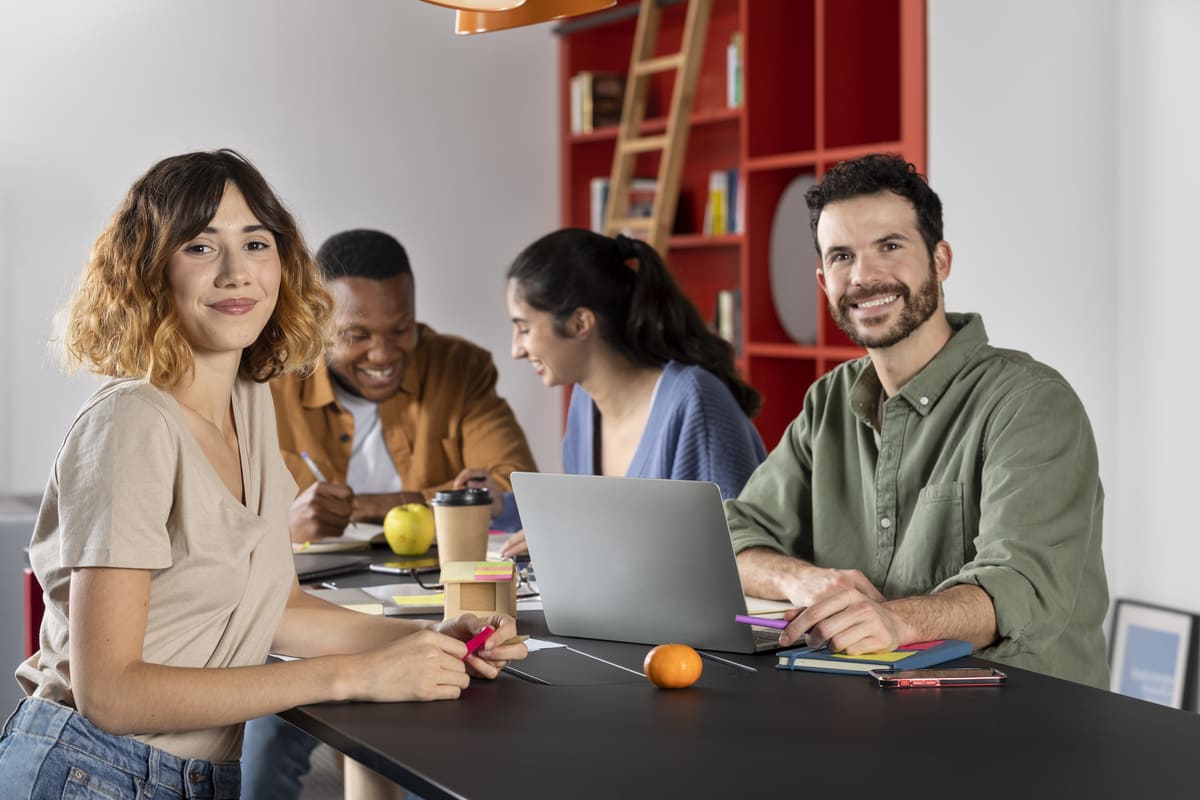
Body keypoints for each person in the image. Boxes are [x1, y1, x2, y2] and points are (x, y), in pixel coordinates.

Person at [0, 150, 527, 800]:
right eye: (200, 246)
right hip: (92, 770)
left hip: (190, 775)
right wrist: (352, 676)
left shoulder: (249, 401)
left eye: (255, 242)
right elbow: (112, 693)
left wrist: (430, 640)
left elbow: (276, 608)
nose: (236, 272)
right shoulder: (132, 424)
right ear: (148, 270)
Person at [724, 153, 1109, 689]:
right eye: (841, 256)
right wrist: (807, 581)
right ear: (823, 281)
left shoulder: (1031, 403)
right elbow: (734, 535)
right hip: (870, 716)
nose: (864, 276)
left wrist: (897, 621)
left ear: (941, 259)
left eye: (890, 246)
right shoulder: (827, 402)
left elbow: (1022, 584)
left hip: (1025, 727)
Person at [498, 227, 767, 558]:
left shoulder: (694, 403)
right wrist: (500, 505)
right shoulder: (585, 404)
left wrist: (578, 541)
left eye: (524, 328)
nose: (517, 350)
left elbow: (734, 559)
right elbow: (591, 524)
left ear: (580, 323)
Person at [269, 228, 538, 543]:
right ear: (317, 319)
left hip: (434, 582)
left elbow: (512, 489)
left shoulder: (460, 367)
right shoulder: (268, 383)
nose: (382, 355)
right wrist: (284, 530)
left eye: (400, 330)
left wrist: (369, 505)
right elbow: (218, 522)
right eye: (358, 336)